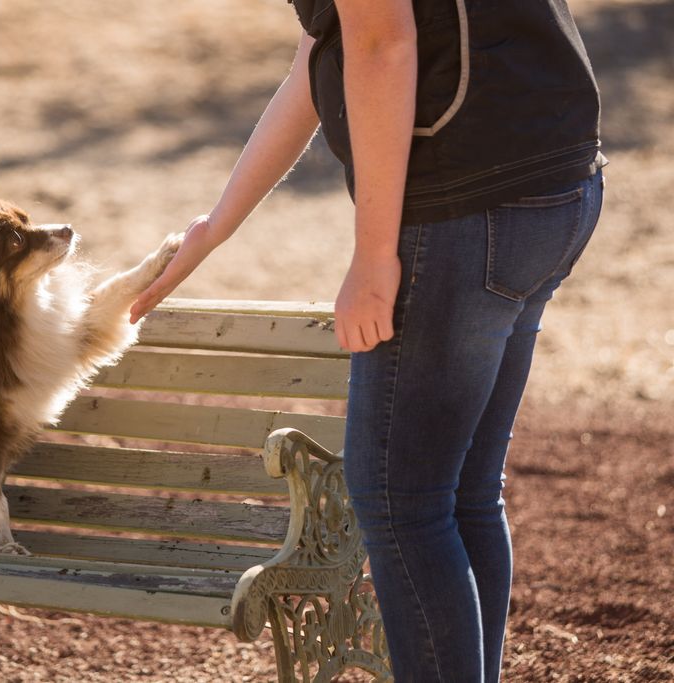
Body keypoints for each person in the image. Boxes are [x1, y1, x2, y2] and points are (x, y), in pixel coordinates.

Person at [129, 0, 606, 680]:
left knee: (400, 501)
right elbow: (323, 46)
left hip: (466, 205)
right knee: (463, 490)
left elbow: (382, 44)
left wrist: (375, 258)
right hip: (557, 181)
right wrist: (216, 226)